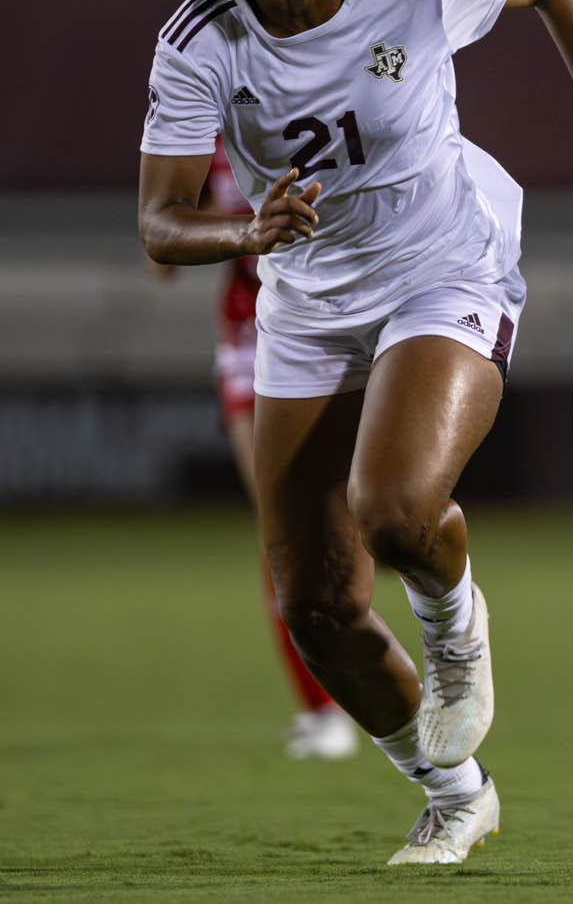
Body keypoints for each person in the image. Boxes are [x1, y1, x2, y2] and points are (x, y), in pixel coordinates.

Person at [136, 0, 573, 866]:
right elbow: (160, 219)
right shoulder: (198, 37)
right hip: (304, 300)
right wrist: (244, 232)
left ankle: (453, 628)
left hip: (441, 262)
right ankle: (453, 792)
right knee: (312, 605)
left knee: (393, 510)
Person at [147, 146, 360, 761]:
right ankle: (322, 709)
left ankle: (430, 637)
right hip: (253, 332)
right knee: (282, 523)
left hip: (348, 317)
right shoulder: (206, 130)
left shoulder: (331, 95)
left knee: (371, 511)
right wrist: (198, 229)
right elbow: (167, 242)